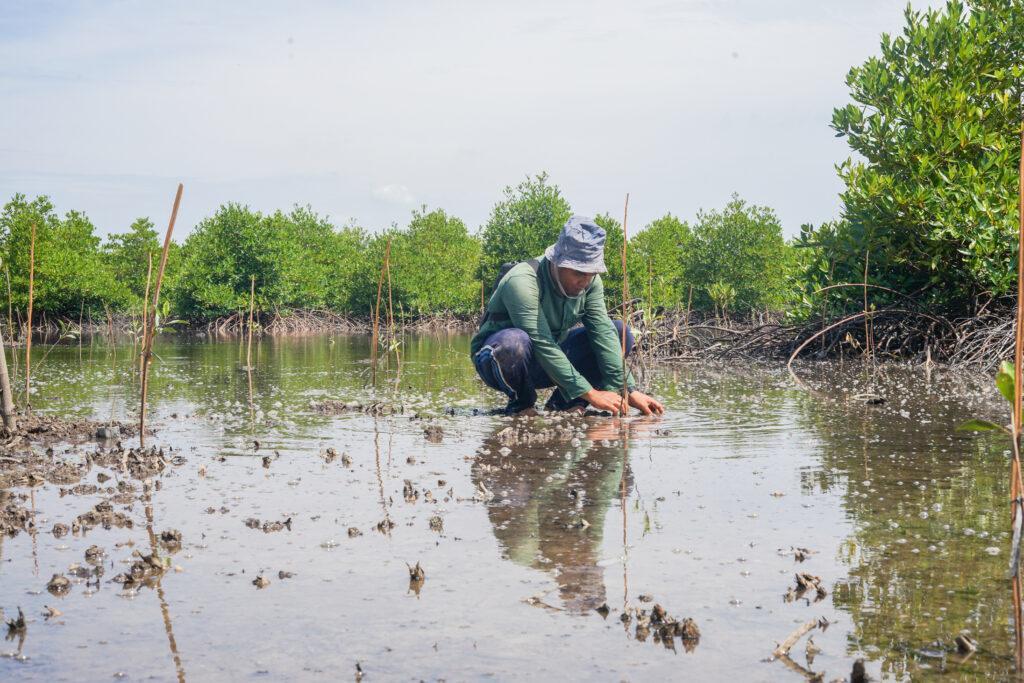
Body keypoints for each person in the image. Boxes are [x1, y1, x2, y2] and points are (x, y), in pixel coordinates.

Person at [471, 215, 665, 415]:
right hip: (499, 359)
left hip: (549, 360)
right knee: (514, 342)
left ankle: (563, 405)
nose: (585, 281)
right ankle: (522, 404)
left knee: (619, 332)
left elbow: (603, 333)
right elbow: (541, 341)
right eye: (579, 272)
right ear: (557, 262)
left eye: (592, 273)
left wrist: (628, 389)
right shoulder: (522, 280)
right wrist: (591, 393)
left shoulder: (591, 283)